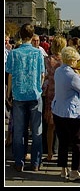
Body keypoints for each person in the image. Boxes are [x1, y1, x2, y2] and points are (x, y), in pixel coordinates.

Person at [5, 23, 46, 172]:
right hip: (34, 94)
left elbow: (9, 75)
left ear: (20, 35)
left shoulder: (14, 53)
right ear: (32, 35)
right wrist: (39, 87)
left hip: (18, 94)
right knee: (36, 131)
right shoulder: (38, 53)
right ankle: (35, 163)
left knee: (19, 131)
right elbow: (42, 74)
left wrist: (8, 94)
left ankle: (19, 162)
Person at [52, 45, 80, 181]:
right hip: (70, 113)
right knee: (79, 140)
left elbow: (73, 84)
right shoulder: (72, 75)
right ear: (72, 61)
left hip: (58, 110)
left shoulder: (59, 71)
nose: (77, 62)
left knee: (63, 141)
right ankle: (75, 171)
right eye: (76, 60)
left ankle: (63, 169)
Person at [43, 35, 67, 162]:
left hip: (51, 94)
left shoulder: (48, 60)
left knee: (50, 127)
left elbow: (45, 77)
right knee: (63, 127)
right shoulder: (65, 61)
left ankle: (50, 152)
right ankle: (62, 155)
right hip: (63, 95)